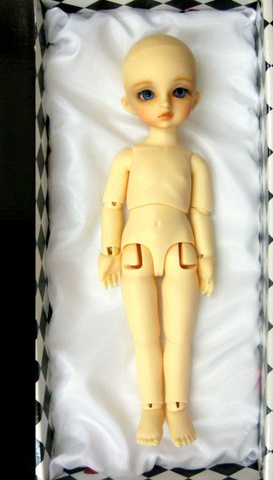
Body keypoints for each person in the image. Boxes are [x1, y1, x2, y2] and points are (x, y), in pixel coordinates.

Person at [98, 34, 215, 448]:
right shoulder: (127, 157)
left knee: (180, 337)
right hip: (135, 253)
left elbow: (200, 213)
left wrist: (208, 258)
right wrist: (108, 251)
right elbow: (112, 206)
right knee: (145, 338)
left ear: (195, 99)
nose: (164, 104)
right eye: (146, 94)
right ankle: (152, 407)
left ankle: (177, 405)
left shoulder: (194, 161)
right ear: (128, 103)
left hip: (182, 251)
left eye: (178, 91)